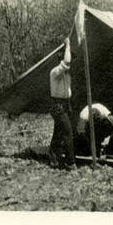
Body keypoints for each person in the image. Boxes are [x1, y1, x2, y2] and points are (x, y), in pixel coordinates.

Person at [49, 37, 76, 170]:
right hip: (57, 106)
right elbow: (66, 61)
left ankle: (53, 155)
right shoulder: (54, 72)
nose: (69, 64)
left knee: (59, 132)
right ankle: (70, 163)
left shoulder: (67, 75)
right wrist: (68, 45)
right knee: (68, 132)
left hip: (65, 105)